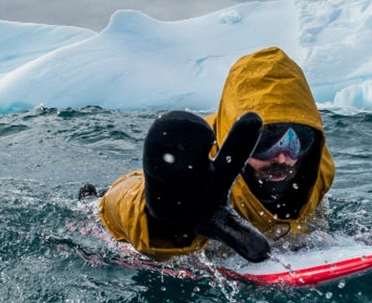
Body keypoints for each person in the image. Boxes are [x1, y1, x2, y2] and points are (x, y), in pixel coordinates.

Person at [98, 47, 334, 262]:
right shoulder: (203, 158)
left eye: (297, 139)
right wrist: (167, 219)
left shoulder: (317, 166)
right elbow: (120, 197)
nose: (283, 157)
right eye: (268, 140)